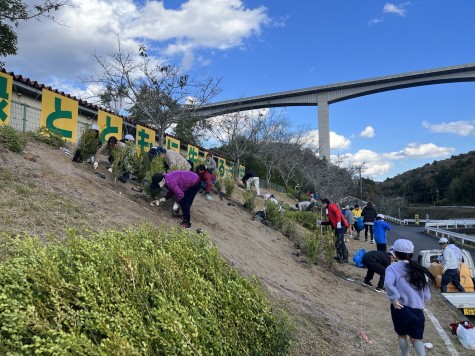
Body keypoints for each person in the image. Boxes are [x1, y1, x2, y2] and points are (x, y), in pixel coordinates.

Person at [384, 239, 434, 356]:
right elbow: (426, 291)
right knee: (417, 338)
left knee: (402, 335)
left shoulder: (392, 268)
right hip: (417, 310)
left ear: (395, 253)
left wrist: (394, 298)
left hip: (400, 308)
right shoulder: (419, 270)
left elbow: (388, 283)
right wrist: (423, 300)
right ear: (411, 253)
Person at [320, 198, 349, 263]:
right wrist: (321, 223)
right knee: (337, 241)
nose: (322, 206)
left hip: (341, 225)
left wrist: (338, 221)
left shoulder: (331, 206)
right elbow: (331, 222)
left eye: (322, 204)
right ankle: (339, 256)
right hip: (338, 226)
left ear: (325, 203)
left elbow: (337, 212)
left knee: (340, 241)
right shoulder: (329, 209)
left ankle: (345, 258)